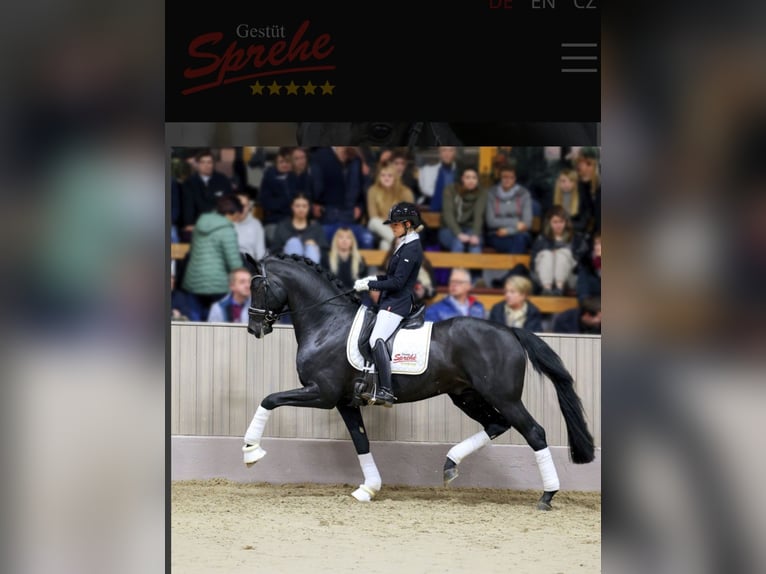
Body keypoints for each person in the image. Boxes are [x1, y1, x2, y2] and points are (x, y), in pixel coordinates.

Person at [352, 202, 424, 407]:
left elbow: (398, 282)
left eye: (395, 224)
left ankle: (386, 390)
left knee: (376, 339)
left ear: (408, 224)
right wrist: (373, 277)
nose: (392, 228)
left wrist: (370, 285)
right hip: (390, 300)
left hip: (398, 302)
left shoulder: (411, 248)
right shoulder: (403, 244)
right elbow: (392, 275)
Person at [181, 194, 245, 321]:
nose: (236, 220)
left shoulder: (200, 223)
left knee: (194, 325)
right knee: (216, 326)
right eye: (237, 216)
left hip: (194, 281)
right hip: (218, 285)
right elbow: (234, 263)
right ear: (231, 213)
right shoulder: (227, 230)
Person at [529, 205, 589, 296]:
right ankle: (547, 289)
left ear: (566, 222)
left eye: (561, 222)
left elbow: (582, 260)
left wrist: (561, 255)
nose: (558, 225)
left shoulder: (576, 239)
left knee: (563, 253)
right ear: (549, 222)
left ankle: (559, 288)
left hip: (568, 277)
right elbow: (533, 263)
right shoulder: (541, 239)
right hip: (542, 277)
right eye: (555, 222)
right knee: (546, 254)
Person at [180, 149, 234, 242]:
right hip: (197, 225)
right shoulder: (189, 183)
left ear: (214, 164)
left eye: (209, 162)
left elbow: (229, 204)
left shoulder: (223, 180)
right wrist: (189, 224)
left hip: (220, 224)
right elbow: (188, 207)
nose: (206, 165)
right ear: (197, 164)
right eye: (203, 162)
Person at [484, 164, 533, 254]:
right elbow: (491, 221)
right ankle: (516, 268)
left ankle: (513, 267)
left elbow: (527, 223)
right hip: (497, 234)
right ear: (500, 178)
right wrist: (515, 223)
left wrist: (508, 231)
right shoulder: (491, 194)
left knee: (519, 240)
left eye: (511, 177)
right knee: (516, 244)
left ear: (515, 179)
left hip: (520, 234)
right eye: (505, 177)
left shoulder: (524, 194)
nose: (507, 180)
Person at [366, 160, 415, 250]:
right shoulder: (372, 190)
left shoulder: (405, 192)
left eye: (389, 176)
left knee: (385, 244)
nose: (386, 178)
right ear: (378, 177)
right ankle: (398, 240)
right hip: (380, 228)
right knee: (373, 221)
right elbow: (373, 216)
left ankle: (395, 244)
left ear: (395, 177)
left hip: (400, 228)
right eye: (383, 175)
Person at [438, 166, 488, 255]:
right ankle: (457, 269)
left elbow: (478, 215)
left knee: (475, 247)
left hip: (470, 228)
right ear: (462, 178)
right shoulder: (450, 190)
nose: (471, 181)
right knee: (458, 244)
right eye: (467, 177)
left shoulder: (481, 193)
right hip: (449, 229)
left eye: (474, 178)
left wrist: (475, 234)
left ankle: (473, 269)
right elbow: (448, 214)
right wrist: (459, 234)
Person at [271, 192, 328, 264]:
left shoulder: (316, 227)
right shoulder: (283, 226)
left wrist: (314, 246)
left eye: (304, 206)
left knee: (311, 247)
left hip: (312, 266)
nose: (301, 209)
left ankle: (309, 273)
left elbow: (324, 255)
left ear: (309, 207)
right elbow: (274, 251)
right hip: (287, 266)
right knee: (294, 243)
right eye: (297, 206)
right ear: (292, 207)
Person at [233, 192, 266, 262]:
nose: (241, 208)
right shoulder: (225, 223)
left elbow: (260, 253)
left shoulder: (256, 225)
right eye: (238, 205)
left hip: (249, 266)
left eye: (244, 205)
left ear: (249, 207)